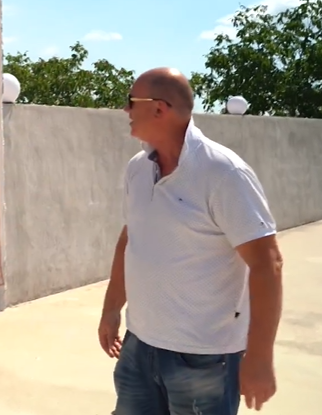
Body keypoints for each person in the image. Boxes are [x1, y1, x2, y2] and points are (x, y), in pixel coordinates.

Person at [98, 67, 284, 414]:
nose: (124, 110)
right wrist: (111, 308)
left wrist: (259, 357)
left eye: (130, 101)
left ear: (159, 109)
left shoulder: (224, 173)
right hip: (140, 347)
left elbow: (267, 262)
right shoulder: (138, 169)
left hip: (205, 358)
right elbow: (131, 238)